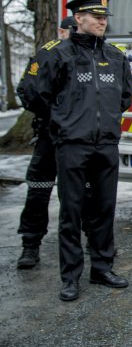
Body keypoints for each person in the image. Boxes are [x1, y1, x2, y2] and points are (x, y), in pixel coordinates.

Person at [32, 0, 132, 301]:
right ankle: (70, 277)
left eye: (104, 18)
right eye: (96, 17)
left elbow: (125, 97)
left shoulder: (115, 56)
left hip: (105, 145)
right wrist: (65, 124)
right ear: (78, 18)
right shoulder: (58, 54)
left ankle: (102, 268)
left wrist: (107, 123)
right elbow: (39, 96)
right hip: (72, 145)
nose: (102, 22)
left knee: (104, 209)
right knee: (71, 212)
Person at [14, 16, 77, 269]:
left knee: (84, 191)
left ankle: (95, 241)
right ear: (62, 31)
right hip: (50, 134)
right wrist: (56, 117)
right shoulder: (47, 53)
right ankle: (30, 245)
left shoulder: (89, 55)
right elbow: (27, 91)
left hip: (78, 136)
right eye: (72, 31)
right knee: (39, 189)